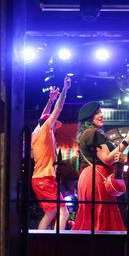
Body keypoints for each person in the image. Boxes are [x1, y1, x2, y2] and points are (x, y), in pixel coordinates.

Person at [72, 101, 129, 231]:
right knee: (102, 216)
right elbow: (108, 159)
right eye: (97, 112)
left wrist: (128, 146)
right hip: (97, 178)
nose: (102, 115)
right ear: (89, 116)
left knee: (90, 216)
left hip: (88, 177)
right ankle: (104, 247)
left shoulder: (86, 134)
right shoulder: (93, 133)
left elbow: (111, 156)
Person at [31, 76, 71, 230]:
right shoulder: (46, 131)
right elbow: (58, 110)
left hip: (39, 179)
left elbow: (42, 118)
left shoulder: (36, 133)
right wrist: (65, 90)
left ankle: (41, 240)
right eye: (53, 124)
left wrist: (50, 100)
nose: (55, 127)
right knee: (63, 212)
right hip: (45, 179)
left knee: (50, 213)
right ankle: (56, 241)